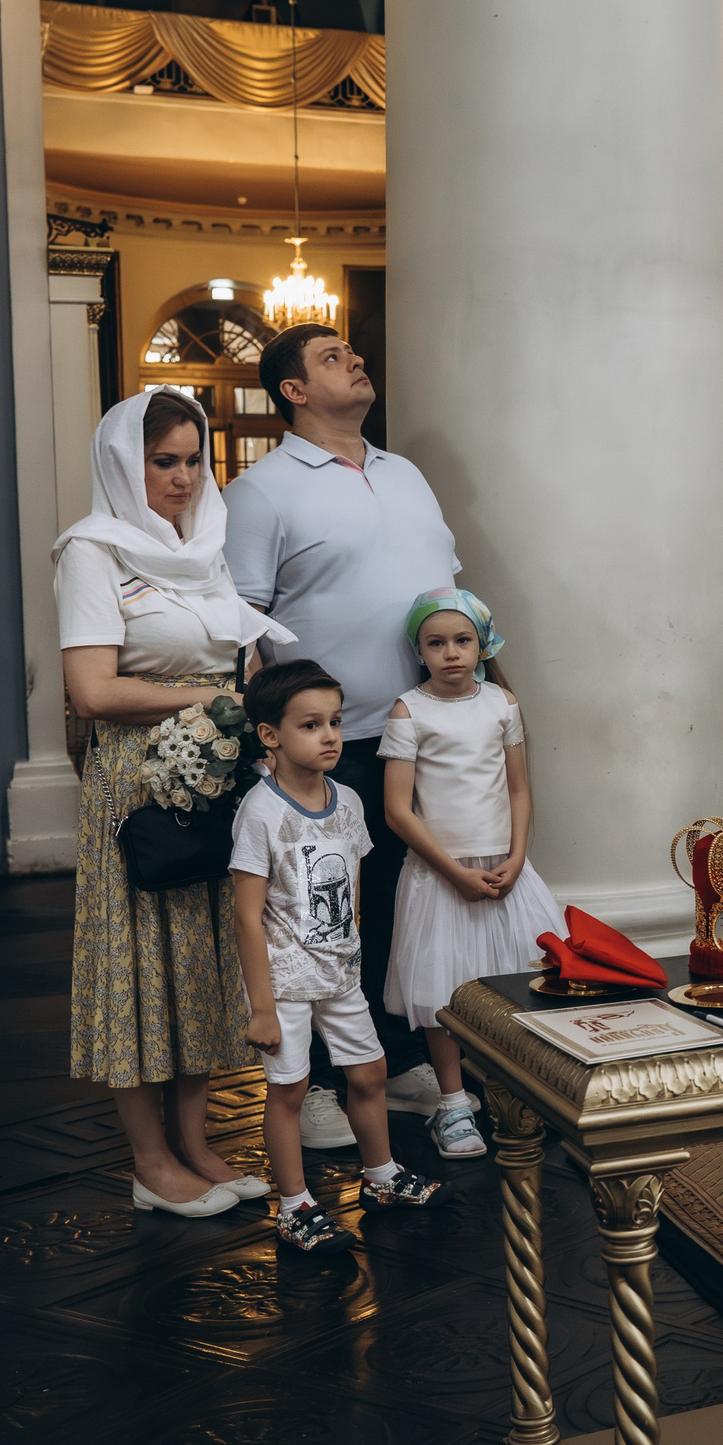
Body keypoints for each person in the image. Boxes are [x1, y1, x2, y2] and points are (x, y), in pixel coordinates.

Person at [57, 388, 295, 1217]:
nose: (184, 478)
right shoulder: (92, 552)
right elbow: (90, 689)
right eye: (165, 462)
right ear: (127, 464)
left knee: (199, 957)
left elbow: (237, 660)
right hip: (134, 776)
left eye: (195, 459)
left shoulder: (208, 546)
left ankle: (195, 1142)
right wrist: (209, 691)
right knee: (138, 964)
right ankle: (150, 1163)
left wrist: (246, 696)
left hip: (212, 764)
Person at [224, 323, 457, 1148]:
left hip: (424, 730)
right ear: (292, 389)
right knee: (314, 917)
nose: (356, 360)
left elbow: (446, 595)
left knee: (401, 903)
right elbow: (242, 623)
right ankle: (312, 1080)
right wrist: (272, 742)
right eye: (331, 357)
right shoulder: (263, 489)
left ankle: (389, 1064)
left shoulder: (406, 473)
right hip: (328, 741)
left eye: (354, 353)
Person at [234, 660, 450, 1253]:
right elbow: (246, 914)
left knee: (370, 1072)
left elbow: (351, 888)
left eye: (334, 721)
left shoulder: (348, 800)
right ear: (271, 736)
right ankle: (295, 1204)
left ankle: (381, 1176)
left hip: (340, 972)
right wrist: (261, 1006)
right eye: (310, 725)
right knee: (290, 1089)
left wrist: (350, 953)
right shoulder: (262, 813)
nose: (330, 735)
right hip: (286, 980)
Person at [379, 588, 565, 1158]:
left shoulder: (502, 704)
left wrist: (516, 855)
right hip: (441, 874)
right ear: (420, 650)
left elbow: (518, 788)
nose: (452, 653)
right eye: (437, 643)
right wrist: (453, 872)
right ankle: (453, 1102)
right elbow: (396, 810)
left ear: (483, 644)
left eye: (463, 641)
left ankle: (518, 1088)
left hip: (505, 867)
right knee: (443, 988)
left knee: (518, 977)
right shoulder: (409, 710)